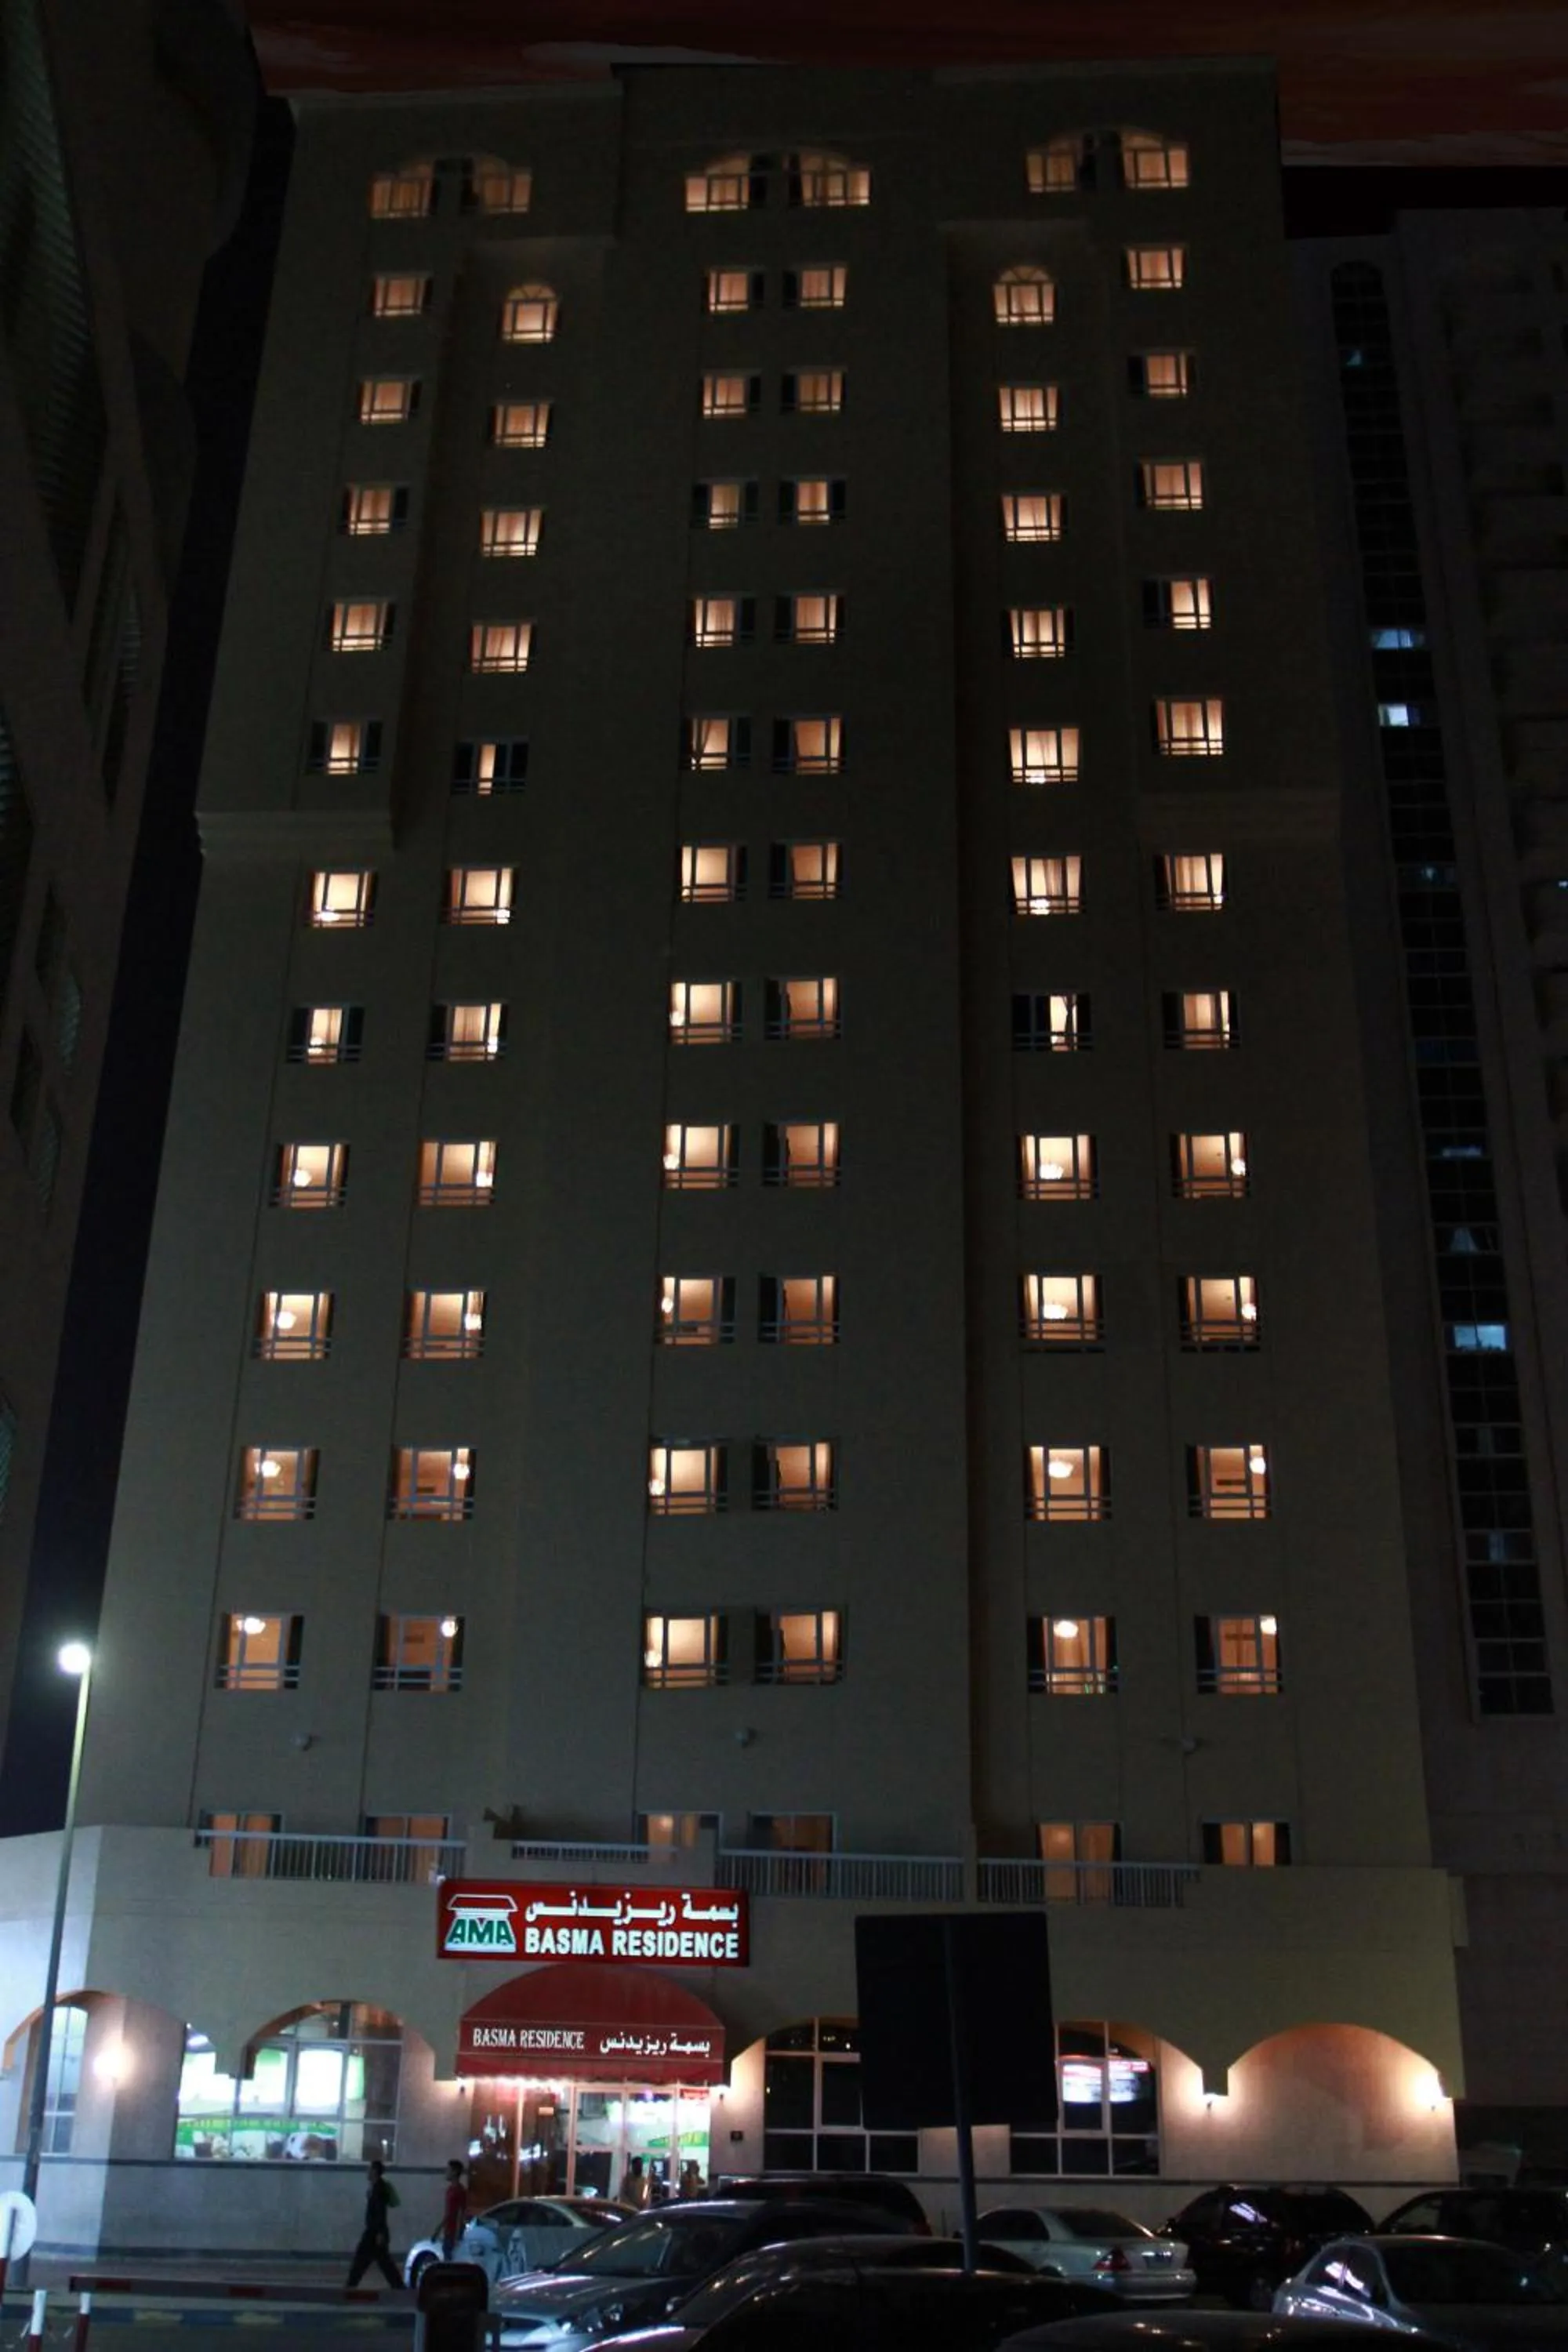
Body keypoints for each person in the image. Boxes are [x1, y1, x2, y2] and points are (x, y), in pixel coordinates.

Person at [346, 2158, 403, 2290]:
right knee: (384, 2263)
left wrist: (380, 2233)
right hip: (376, 2232)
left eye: (369, 2169)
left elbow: (380, 2212)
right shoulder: (376, 2187)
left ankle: (350, 2287)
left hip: (374, 2233)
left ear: (375, 2171)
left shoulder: (379, 2188)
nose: (367, 2172)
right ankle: (399, 2287)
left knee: (362, 2260)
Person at [439, 2158, 470, 2260]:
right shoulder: (450, 2190)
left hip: (454, 2233)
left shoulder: (460, 2191)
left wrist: (458, 2234)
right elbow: (448, 2212)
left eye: (448, 2170)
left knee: (451, 2259)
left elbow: (462, 2213)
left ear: (454, 2172)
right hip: (448, 2231)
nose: (446, 2172)